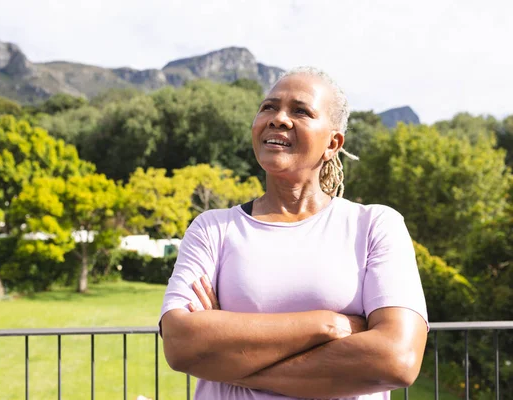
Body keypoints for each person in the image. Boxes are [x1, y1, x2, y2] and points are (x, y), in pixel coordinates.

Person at [159, 66, 428, 399]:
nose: (278, 118)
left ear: (333, 143)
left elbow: (396, 360)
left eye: (300, 111)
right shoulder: (212, 229)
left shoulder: (375, 226)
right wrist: (328, 325)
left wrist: (228, 360)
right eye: (268, 107)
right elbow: (180, 343)